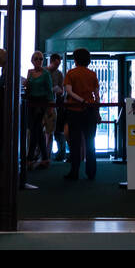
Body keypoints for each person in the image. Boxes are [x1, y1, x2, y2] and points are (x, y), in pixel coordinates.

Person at [62, 47, 99, 181]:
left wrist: (80, 100)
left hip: (74, 110)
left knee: (75, 142)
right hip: (90, 110)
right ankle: (91, 172)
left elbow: (69, 91)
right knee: (90, 142)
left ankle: (74, 171)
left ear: (75, 59)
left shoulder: (71, 73)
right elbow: (97, 94)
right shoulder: (92, 74)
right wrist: (96, 111)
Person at [24, 51, 53, 168]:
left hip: (41, 103)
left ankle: (30, 157)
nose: (39, 61)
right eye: (36, 59)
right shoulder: (30, 73)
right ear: (32, 60)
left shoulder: (46, 74)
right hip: (31, 102)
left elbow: (49, 90)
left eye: (41, 59)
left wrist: (50, 106)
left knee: (36, 130)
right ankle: (45, 158)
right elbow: (28, 88)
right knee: (37, 131)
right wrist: (25, 84)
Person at [46, 53, 67, 161]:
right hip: (53, 104)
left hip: (57, 104)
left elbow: (62, 91)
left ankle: (60, 154)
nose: (57, 66)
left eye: (58, 64)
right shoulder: (47, 72)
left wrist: (57, 91)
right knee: (55, 132)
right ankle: (49, 155)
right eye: (56, 64)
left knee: (58, 131)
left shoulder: (59, 74)